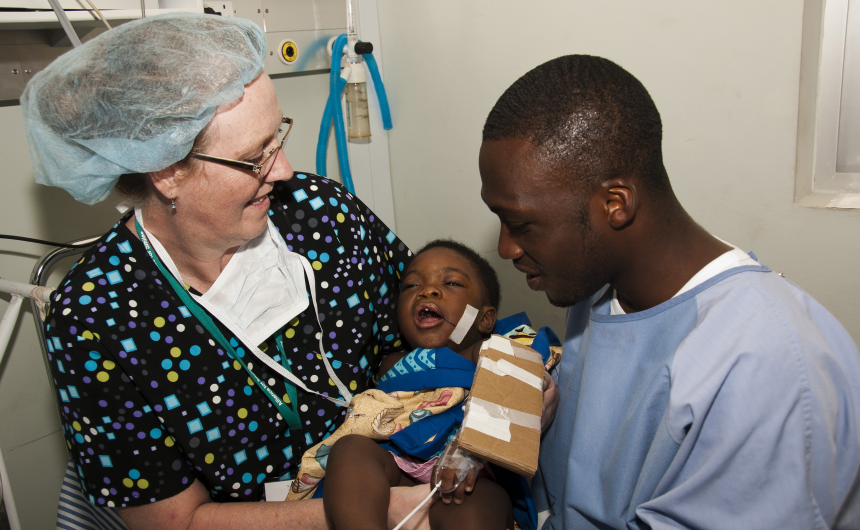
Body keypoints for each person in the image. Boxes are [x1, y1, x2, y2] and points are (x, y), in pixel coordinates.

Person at [22, 13, 433, 530]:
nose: (283, 170)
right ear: (168, 171)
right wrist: (365, 512)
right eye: (254, 157)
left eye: (277, 137)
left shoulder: (324, 214)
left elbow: (422, 330)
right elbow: (177, 522)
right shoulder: (95, 318)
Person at [478, 55, 860, 529]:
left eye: (520, 224)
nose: (505, 248)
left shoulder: (769, 363)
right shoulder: (596, 295)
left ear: (615, 204)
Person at [293, 240, 514, 530]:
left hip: (462, 476)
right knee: (350, 449)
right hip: (397, 467)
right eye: (411, 286)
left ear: (484, 319)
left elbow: (515, 388)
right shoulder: (391, 363)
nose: (427, 290)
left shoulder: (483, 352)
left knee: (484, 502)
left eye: (451, 283)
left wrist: (471, 448)